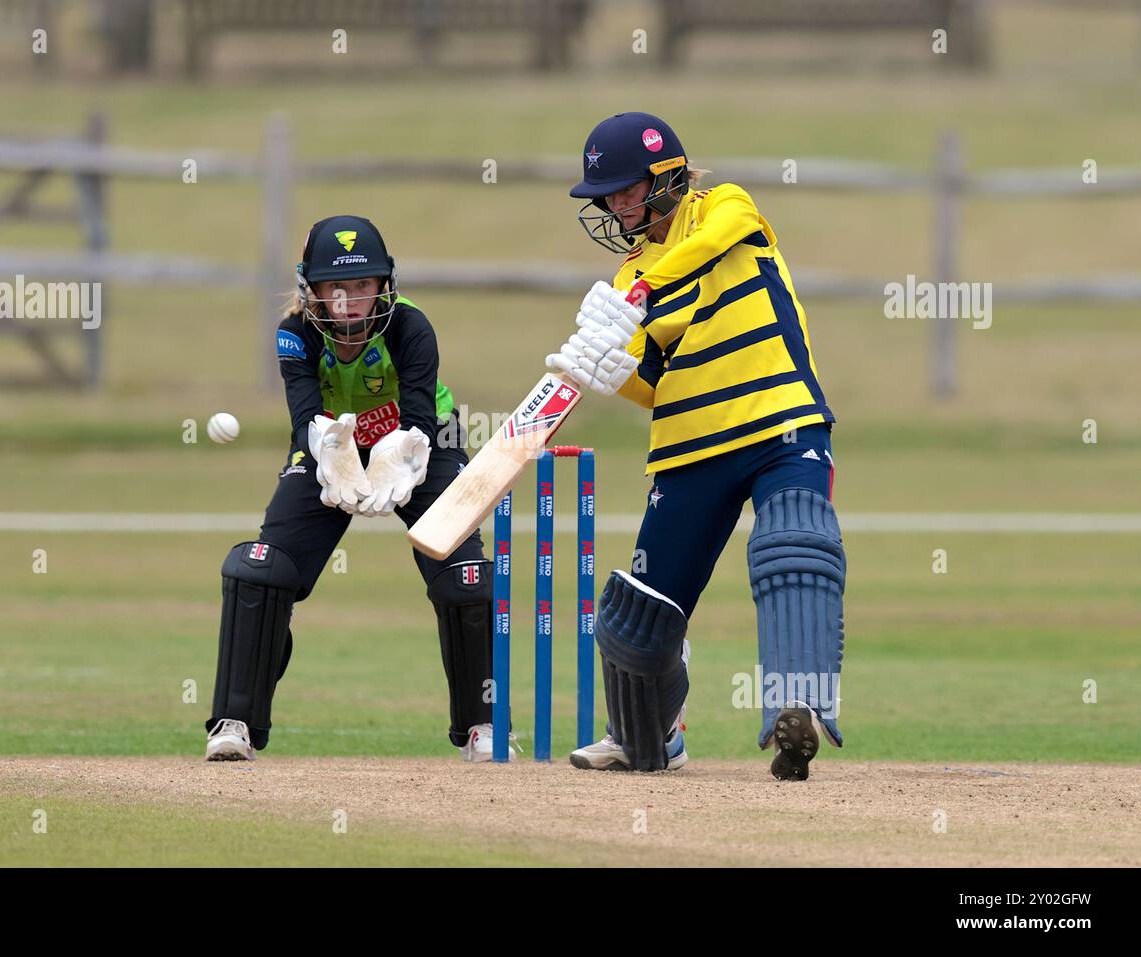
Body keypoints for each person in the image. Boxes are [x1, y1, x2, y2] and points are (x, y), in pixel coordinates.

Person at [546, 112, 846, 780]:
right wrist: (613, 371)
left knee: (795, 544)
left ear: (667, 176)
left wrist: (644, 287)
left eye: (626, 190)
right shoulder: (627, 278)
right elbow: (653, 384)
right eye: (608, 195)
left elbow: (715, 240)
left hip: (780, 419)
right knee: (639, 617)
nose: (616, 206)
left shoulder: (726, 205)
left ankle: (795, 703)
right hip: (689, 448)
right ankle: (646, 734)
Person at [204, 215, 511, 763]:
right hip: (331, 441)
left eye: (363, 286)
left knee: (465, 578)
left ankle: (483, 726)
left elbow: (417, 416)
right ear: (312, 289)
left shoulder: (412, 327)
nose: (349, 301)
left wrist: (400, 459)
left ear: (384, 286)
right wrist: (331, 451)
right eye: (335, 288)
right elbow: (303, 419)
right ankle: (236, 723)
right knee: (262, 569)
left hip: (422, 439)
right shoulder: (294, 333)